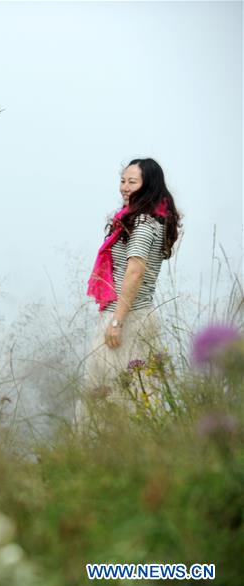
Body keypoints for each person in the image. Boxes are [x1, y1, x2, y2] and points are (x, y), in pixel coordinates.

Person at [80, 158, 181, 420]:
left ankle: (105, 455)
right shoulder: (151, 220)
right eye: (122, 181)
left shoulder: (143, 223)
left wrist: (116, 321)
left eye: (132, 182)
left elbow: (134, 272)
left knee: (109, 398)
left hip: (127, 318)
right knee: (136, 396)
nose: (125, 187)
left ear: (148, 187)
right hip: (138, 316)